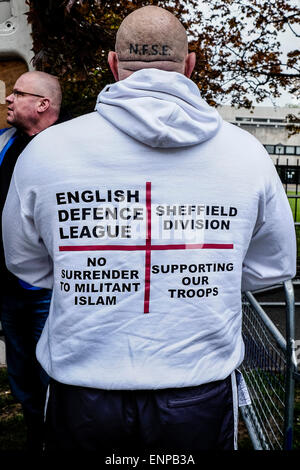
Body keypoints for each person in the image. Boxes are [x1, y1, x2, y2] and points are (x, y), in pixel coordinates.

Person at [2, 6, 296, 452]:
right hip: (196, 389)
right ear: (191, 65)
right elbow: (273, 264)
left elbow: (25, 261)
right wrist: (206, 275)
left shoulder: (46, 152)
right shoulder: (246, 154)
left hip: (83, 392)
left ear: (113, 64)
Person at [0, 71, 62, 451]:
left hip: (46, 287)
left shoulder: (64, 149)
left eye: (17, 93)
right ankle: (35, 436)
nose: (8, 98)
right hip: (9, 288)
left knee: (49, 373)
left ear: (42, 104)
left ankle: (55, 436)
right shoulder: (5, 142)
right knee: (20, 372)